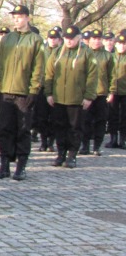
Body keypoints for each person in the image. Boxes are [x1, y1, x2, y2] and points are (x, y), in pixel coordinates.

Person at [0, 4, 44, 180]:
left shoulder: (35, 40)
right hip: (6, 90)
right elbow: (0, 64)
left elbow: (38, 68)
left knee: (23, 130)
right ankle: (4, 164)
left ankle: (21, 166)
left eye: (20, 16)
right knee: (5, 129)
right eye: (14, 16)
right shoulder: (7, 40)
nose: (17, 19)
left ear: (27, 18)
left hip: (24, 92)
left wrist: (33, 90)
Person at [44, 25, 96, 168]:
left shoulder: (86, 53)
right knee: (60, 126)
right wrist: (48, 93)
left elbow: (92, 76)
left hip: (77, 99)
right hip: (58, 98)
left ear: (79, 38)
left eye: (72, 38)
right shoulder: (57, 53)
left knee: (75, 128)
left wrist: (89, 96)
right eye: (66, 38)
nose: (69, 41)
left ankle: (72, 155)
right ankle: (61, 153)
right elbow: (49, 74)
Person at [84, 29, 113, 155]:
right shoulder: (84, 54)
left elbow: (112, 75)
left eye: (98, 39)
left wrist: (111, 92)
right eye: (94, 38)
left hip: (101, 93)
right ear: (89, 40)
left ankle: (97, 146)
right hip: (86, 94)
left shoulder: (107, 55)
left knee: (100, 121)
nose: (96, 41)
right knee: (85, 120)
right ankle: (85, 146)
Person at [34, 28, 63, 152]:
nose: (52, 40)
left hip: (56, 88)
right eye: (50, 38)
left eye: (55, 38)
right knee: (41, 116)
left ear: (59, 39)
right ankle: (44, 141)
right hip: (42, 87)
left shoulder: (61, 52)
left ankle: (51, 142)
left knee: (54, 117)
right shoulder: (42, 51)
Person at [108, 32, 126, 148]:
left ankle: (123, 139)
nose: (122, 46)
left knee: (124, 116)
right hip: (112, 91)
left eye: (124, 44)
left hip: (125, 91)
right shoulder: (111, 57)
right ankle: (113, 138)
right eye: (119, 43)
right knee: (112, 115)